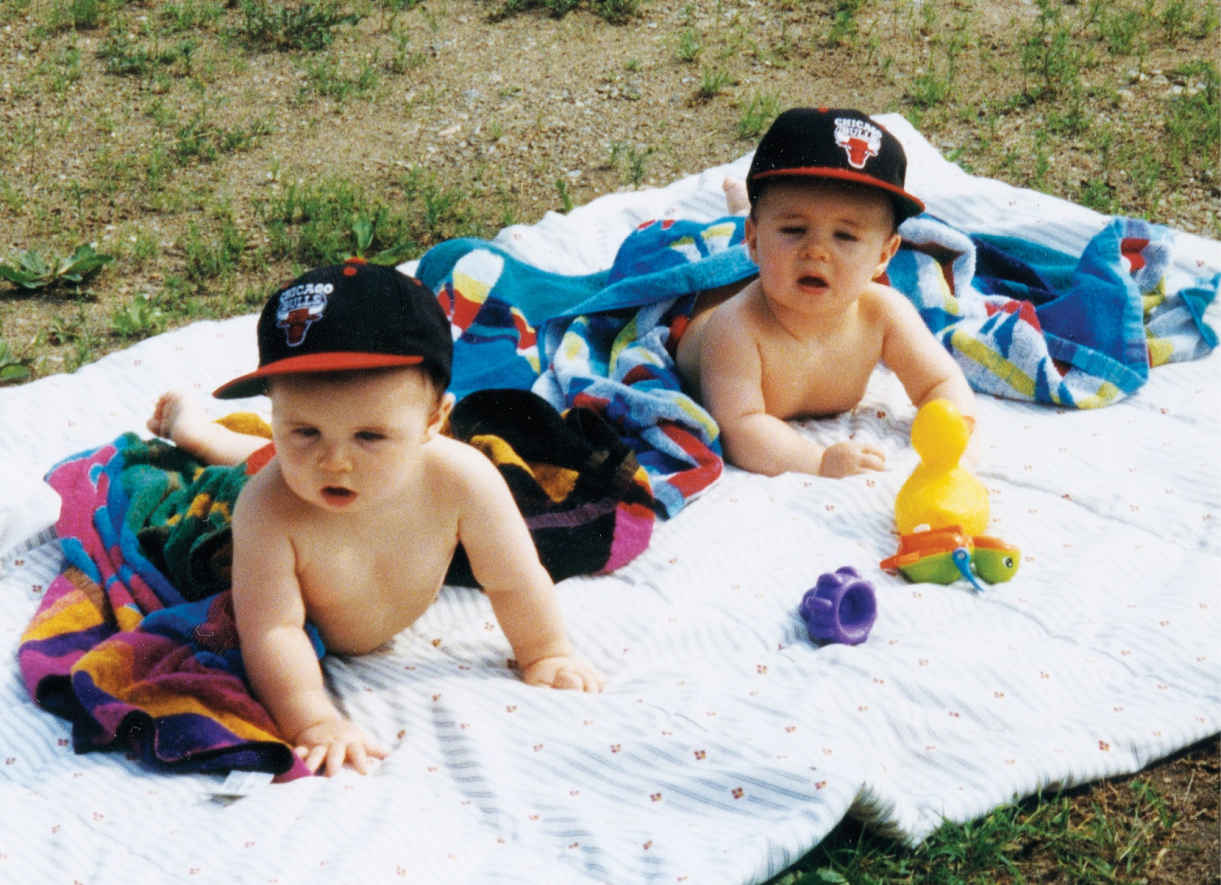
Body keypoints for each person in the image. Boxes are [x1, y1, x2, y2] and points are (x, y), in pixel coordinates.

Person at [148, 259, 603, 777]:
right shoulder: (269, 507)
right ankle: (193, 430)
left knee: (266, 460)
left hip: (324, 476)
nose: (335, 461)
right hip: (262, 486)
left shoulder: (462, 479)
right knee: (248, 464)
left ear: (435, 419)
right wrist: (313, 721)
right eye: (303, 431)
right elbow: (273, 630)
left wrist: (545, 653)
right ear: (275, 413)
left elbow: (515, 578)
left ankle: (216, 431)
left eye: (369, 436)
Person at [674, 107, 976, 478]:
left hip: (767, 257)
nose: (817, 251)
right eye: (795, 229)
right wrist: (817, 461)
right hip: (717, 299)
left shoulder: (883, 313)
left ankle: (747, 210)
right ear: (753, 242)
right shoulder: (735, 326)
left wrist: (953, 427)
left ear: (884, 255)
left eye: (845, 236)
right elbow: (740, 427)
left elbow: (940, 382)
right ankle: (741, 212)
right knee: (720, 258)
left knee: (765, 237)